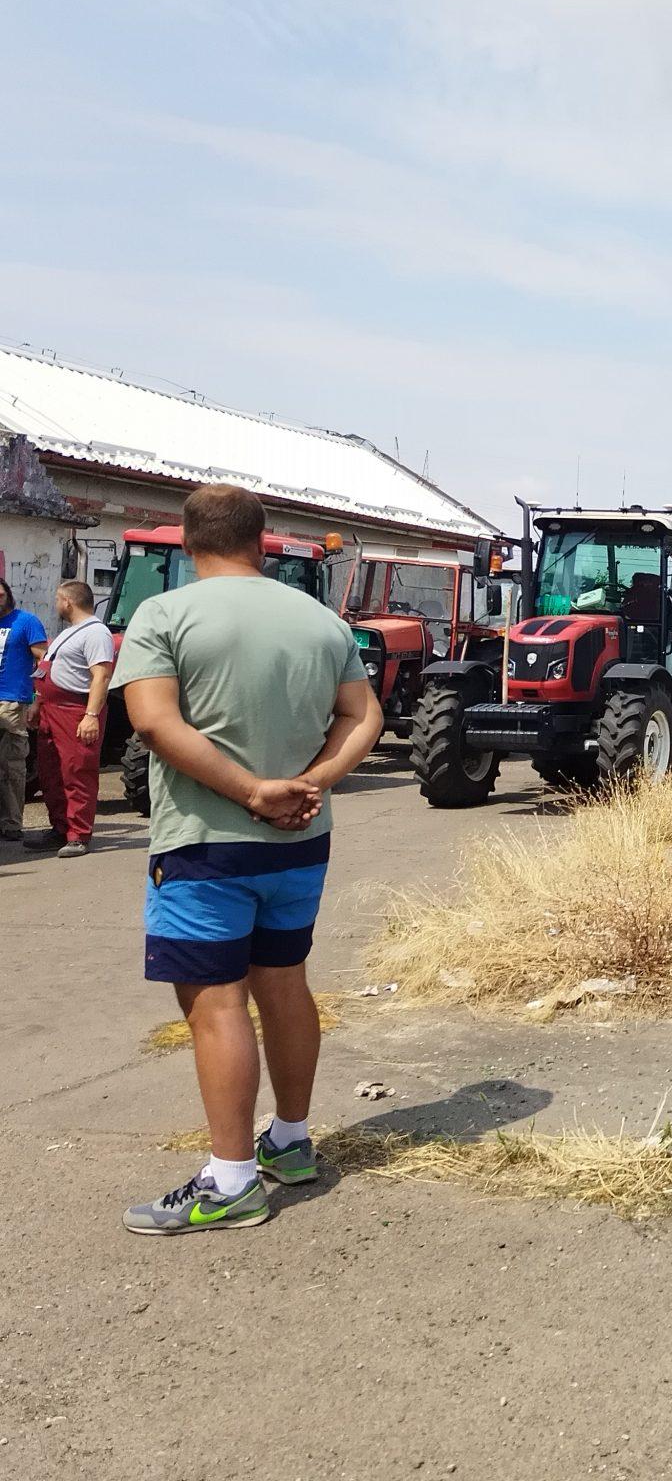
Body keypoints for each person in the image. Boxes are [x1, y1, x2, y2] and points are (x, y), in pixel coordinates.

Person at [112, 484, 382, 1235]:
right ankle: (291, 1143)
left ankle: (231, 1182)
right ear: (262, 540)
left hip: (206, 842)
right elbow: (366, 716)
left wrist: (254, 791)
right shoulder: (321, 620)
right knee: (285, 984)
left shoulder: (164, 615)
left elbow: (154, 722)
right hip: (301, 843)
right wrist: (313, 784)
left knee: (215, 1003)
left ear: (191, 543)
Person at [24, 580, 117, 857]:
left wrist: (90, 716)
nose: (56, 604)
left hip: (75, 710)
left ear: (68, 601)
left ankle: (78, 835)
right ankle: (60, 829)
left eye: (57, 599)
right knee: (51, 772)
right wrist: (39, 703)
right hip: (51, 711)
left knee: (77, 772)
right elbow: (47, 670)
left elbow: (101, 675)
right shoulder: (69, 633)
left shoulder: (97, 633)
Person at [0, 576, 46, 842]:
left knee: (11, 767)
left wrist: (37, 699)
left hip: (13, 703)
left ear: (8, 594)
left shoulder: (26, 622)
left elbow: (43, 662)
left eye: (0, 595)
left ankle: (11, 823)